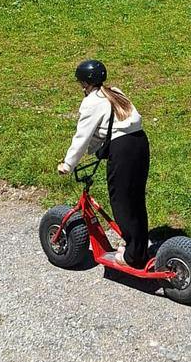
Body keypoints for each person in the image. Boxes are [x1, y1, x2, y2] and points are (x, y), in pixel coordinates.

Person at [57, 59, 151, 268]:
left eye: (81, 83)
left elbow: (81, 137)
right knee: (135, 199)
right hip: (140, 143)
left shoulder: (91, 102)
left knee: (122, 202)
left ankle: (133, 257)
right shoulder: (115, 92)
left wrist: (68, 164)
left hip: (123, 150)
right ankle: (137, 246)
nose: (81, 87)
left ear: (86, 83)